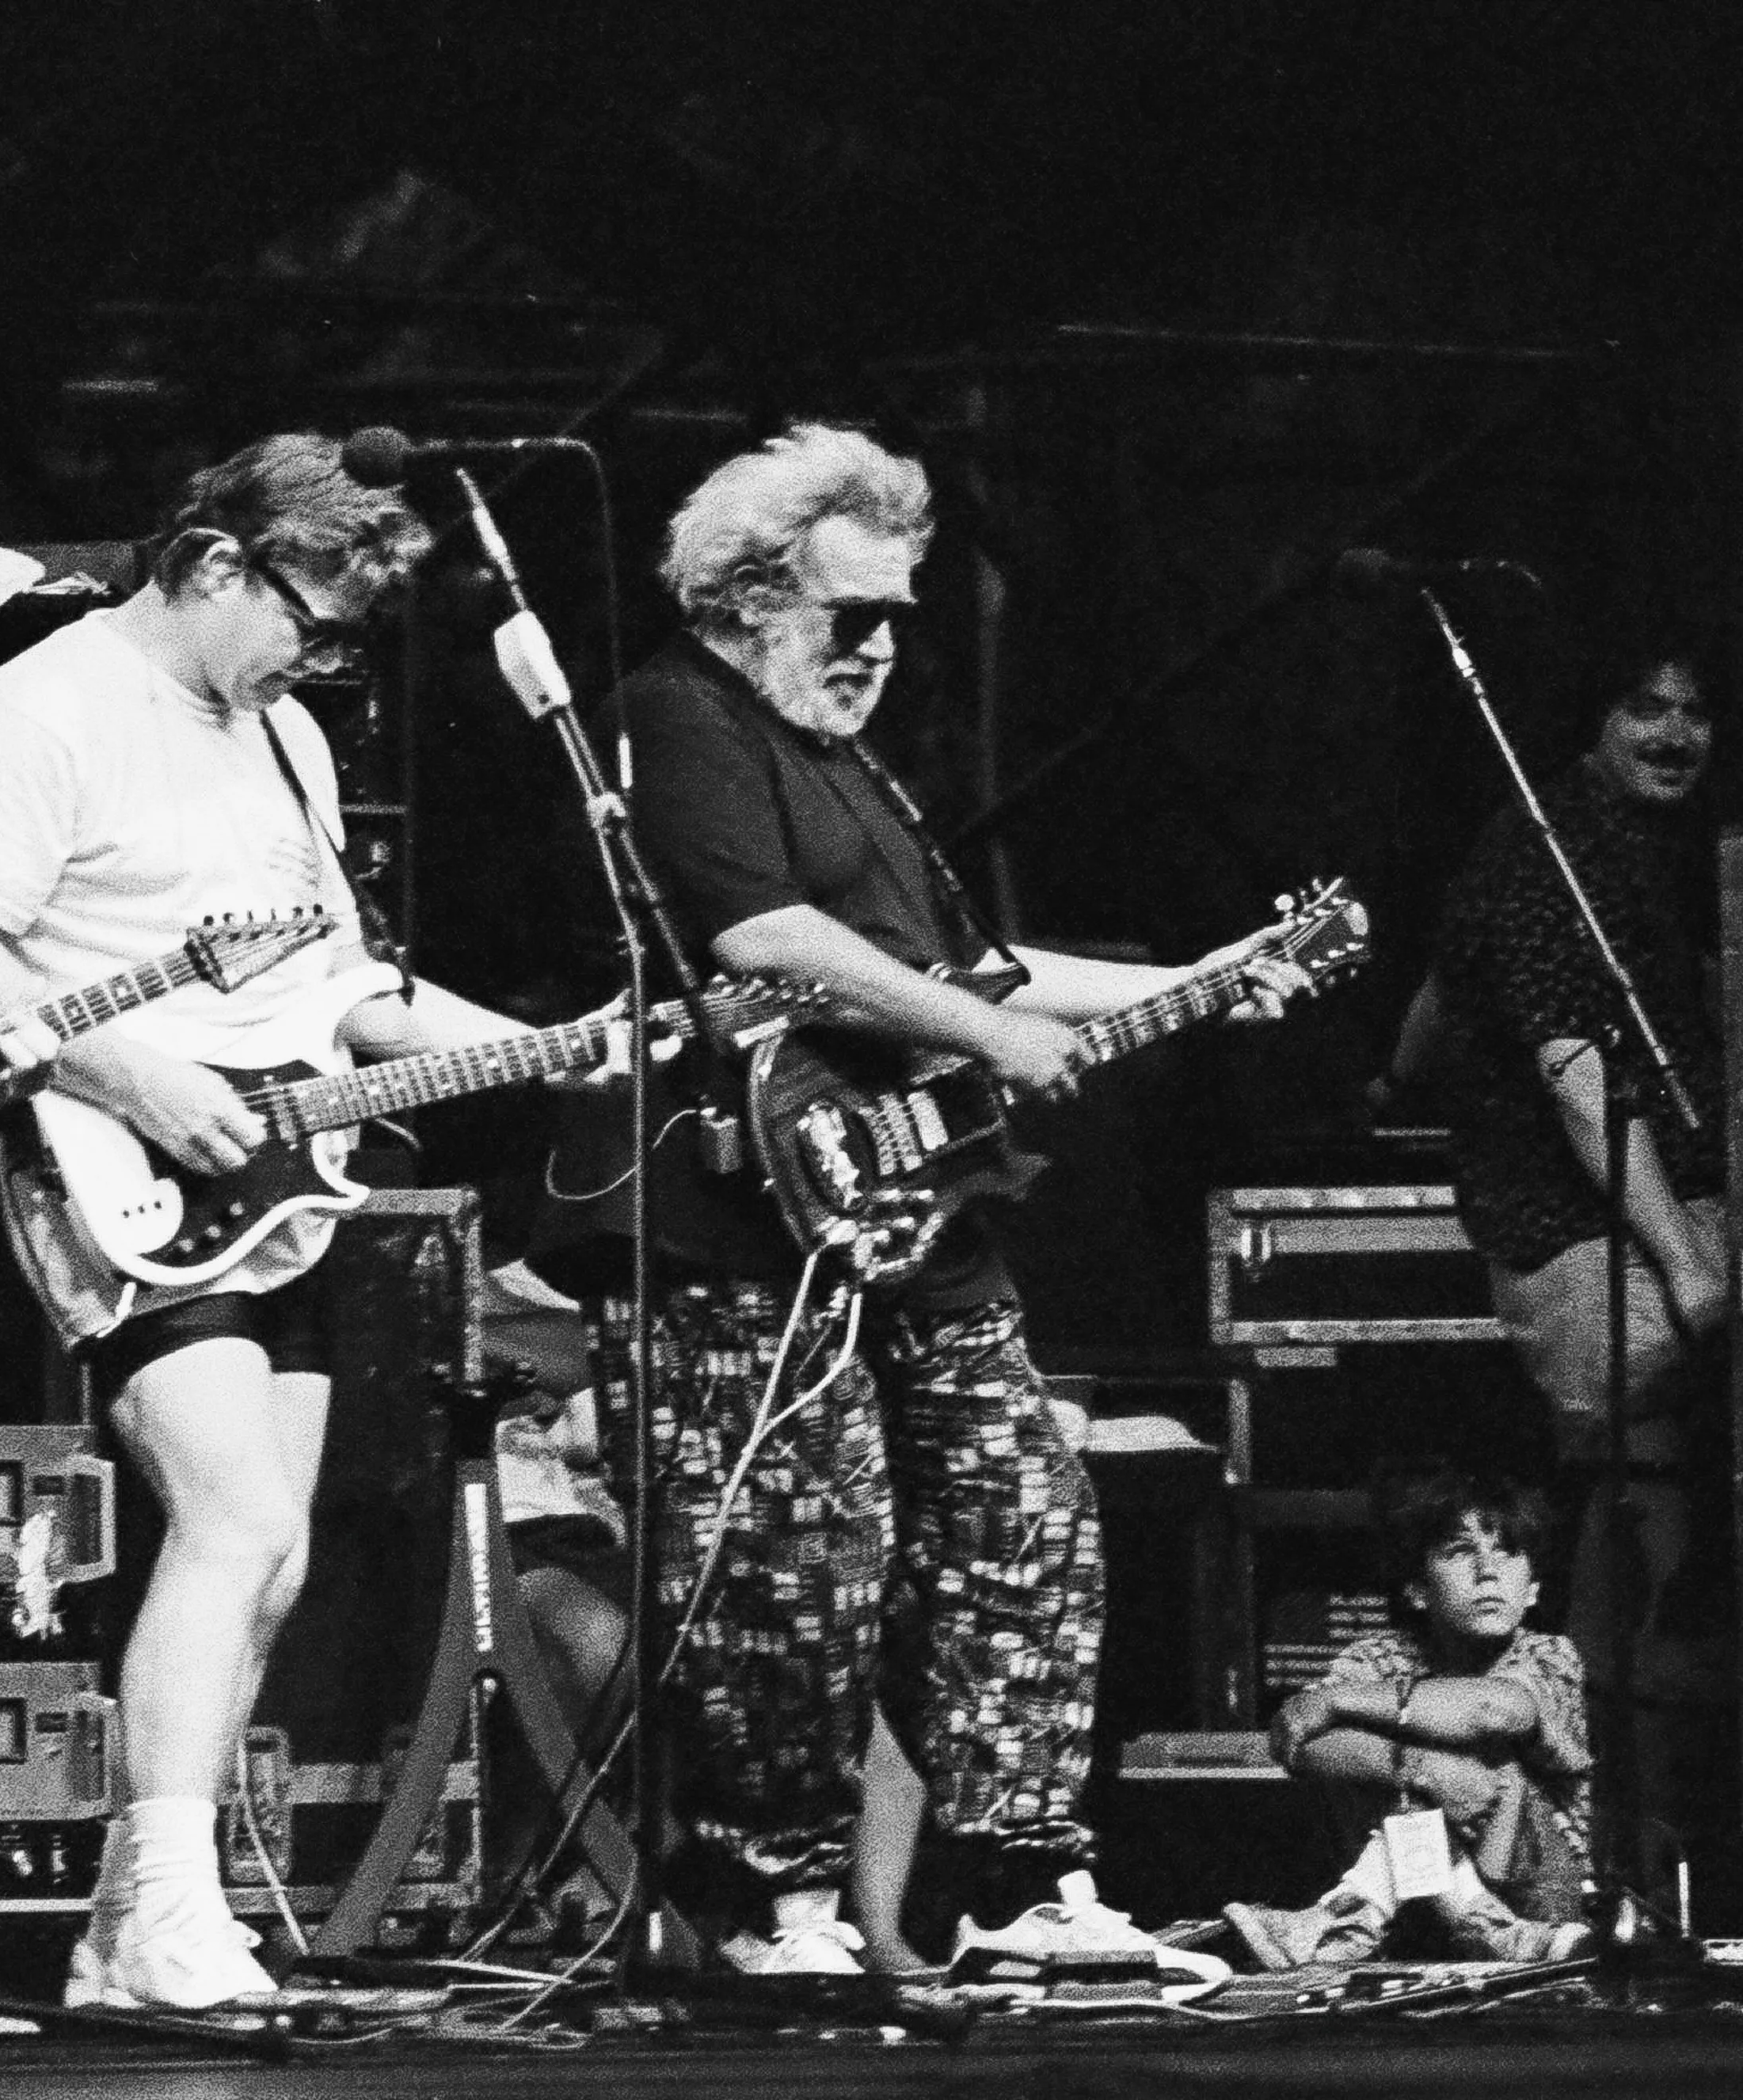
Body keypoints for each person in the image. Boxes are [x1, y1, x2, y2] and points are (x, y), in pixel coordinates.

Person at [533, 421, 1305, 1980]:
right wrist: (987, 1036)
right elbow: (760, 939)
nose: (881, 648)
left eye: (898, 616)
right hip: (742, 1211)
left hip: (914, 1212)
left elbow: (977, 972)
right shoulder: (672, 719)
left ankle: (1009, 1883)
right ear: (749, 593)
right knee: (788, 1564)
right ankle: (770, 1904)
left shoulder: (851, 760)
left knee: (1027, 1517)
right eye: (849, 616)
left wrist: (1197, 985)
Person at [0, 434, 539, 2008]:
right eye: (307, 616)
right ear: (212, 561)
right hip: (113, 1172)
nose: (321, 657)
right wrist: (118, 1062)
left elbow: (342, 986)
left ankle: (127, 1928)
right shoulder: (40, 708)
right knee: (230, 1521)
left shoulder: (286, 740)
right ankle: (171, 1905)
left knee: (268, 1557)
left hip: (280, 1179)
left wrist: (548, 1044)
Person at [1429, 638, 1726, 1824]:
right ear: (1589, 717)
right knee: (1642, 1489)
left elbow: (1440, 1001)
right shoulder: (1551, 850)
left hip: (1663, 1208)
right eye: (1644, 703)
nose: (1674, 732)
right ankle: (1628, 1836)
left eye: (1697, 711)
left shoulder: (1646, 853)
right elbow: (1577, 1075)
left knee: (1660, 1491)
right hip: (1587, 1234)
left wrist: (1400, 1080)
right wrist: (1689, 1259)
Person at [1226, 1470, 1593, 1967]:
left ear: (1531, 1591)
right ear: (1419, 1590)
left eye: (1508, 1553)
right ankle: (1477, 1925)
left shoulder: (1551, 1655)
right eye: (1460, 1552)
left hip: (1539, 1894)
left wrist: (1340, 1703)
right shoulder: (1375, 1658)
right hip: (1418, 1914)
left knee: (1489, 1764)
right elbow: (1299, 1742)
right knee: (1411, 1774)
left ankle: (1341, 1918)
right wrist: (1419, 1768)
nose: (1488, 1572)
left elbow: (1494, 1710)